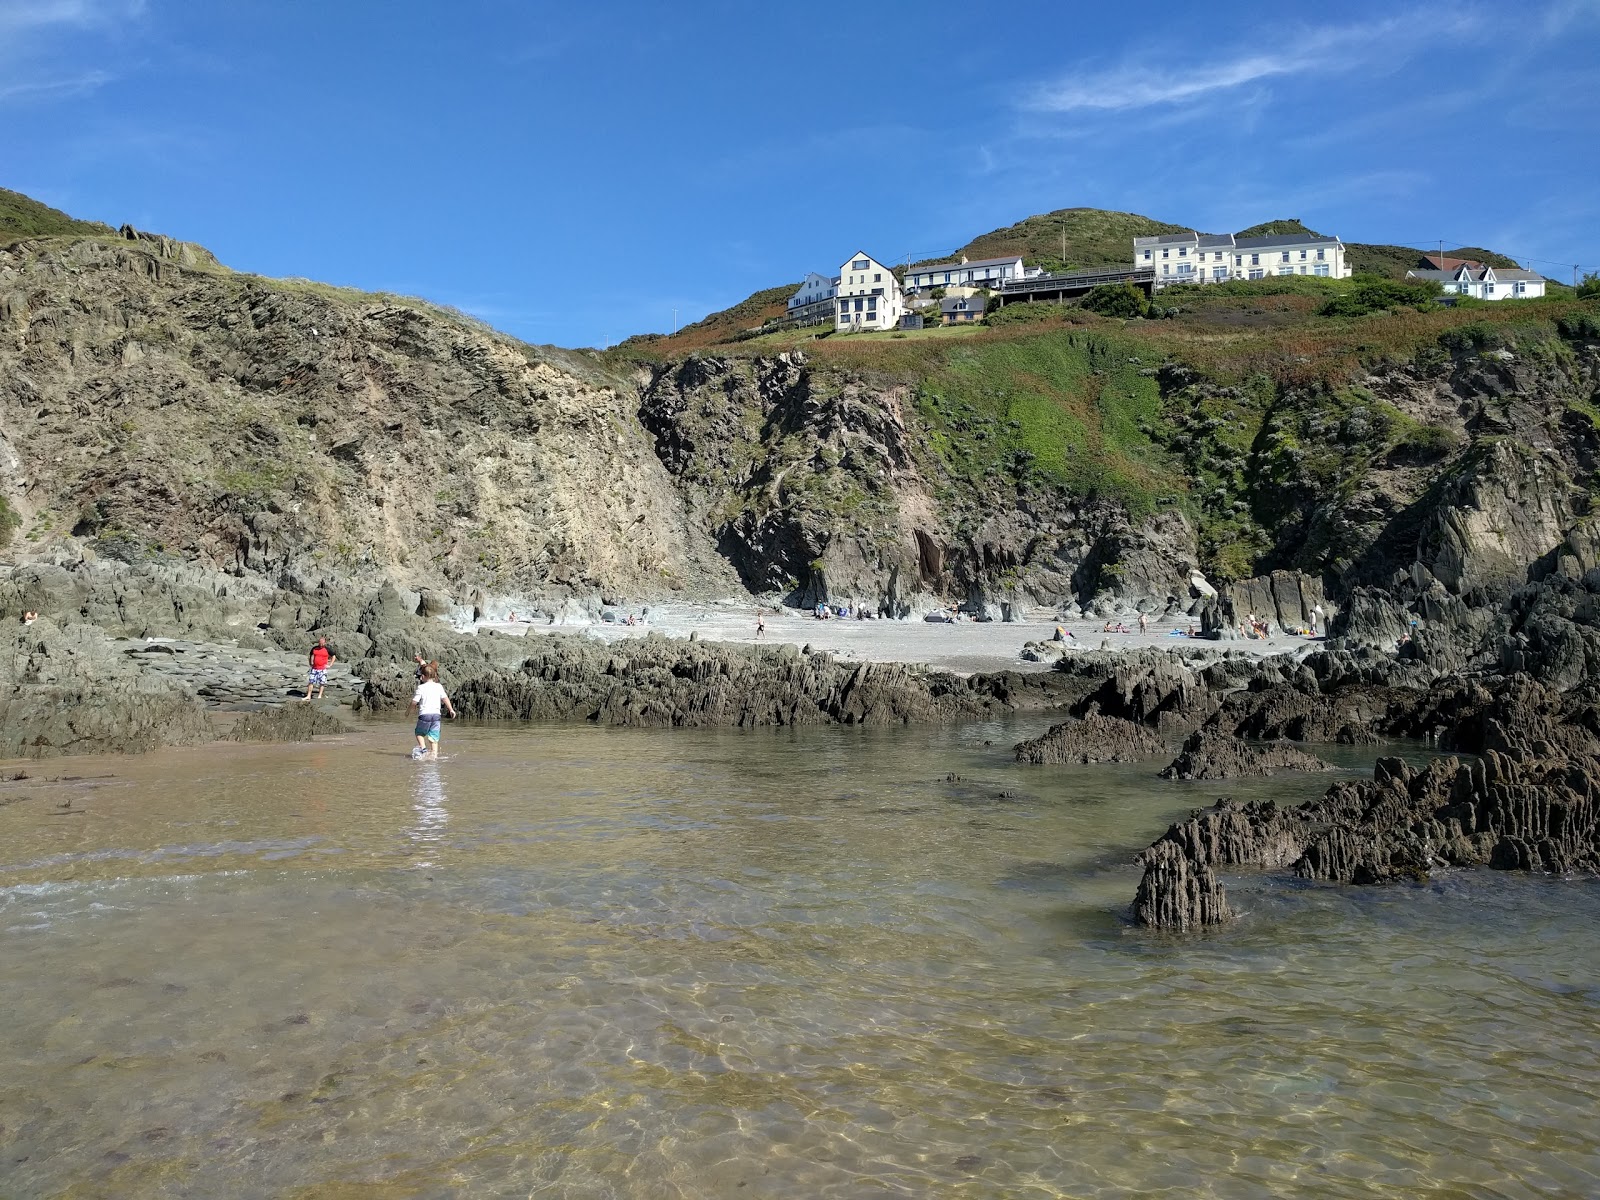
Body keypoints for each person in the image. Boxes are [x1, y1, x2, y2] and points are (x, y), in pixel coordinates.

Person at [408, 662, 457, 761]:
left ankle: (423, 749)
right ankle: (434, 756)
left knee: (419, 733)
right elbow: (445, 698)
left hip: (424, 715)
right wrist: (451, 709)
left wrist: (409, 711)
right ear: (434, 676)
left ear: (422, 676)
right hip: (436, 716)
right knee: (434, 737)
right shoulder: (438, 686)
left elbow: (414, 702)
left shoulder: (421, 688)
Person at [303, 636, 336, 701]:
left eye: (322, 643)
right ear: (319, 642)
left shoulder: (328, 649)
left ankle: (319, 696)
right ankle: (308, 696)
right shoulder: (314, 648)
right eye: (320, 643)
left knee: (322, 683)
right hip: (314, 668)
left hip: (323, 669)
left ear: (325, 642)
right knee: (311, 682)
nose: (321, 645)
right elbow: (311, 655)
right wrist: (311, 662)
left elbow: (334, 656)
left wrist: (330, 665)